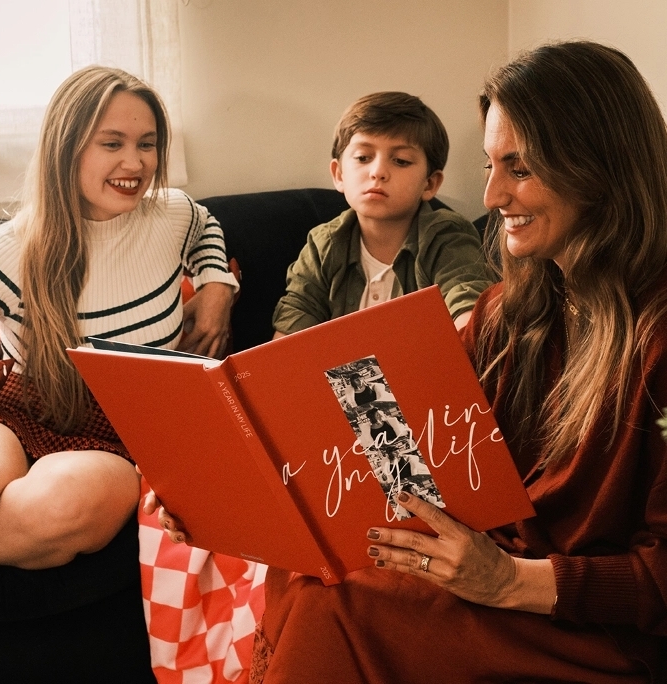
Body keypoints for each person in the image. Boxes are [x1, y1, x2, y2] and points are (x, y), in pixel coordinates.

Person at [242, 41, 667, 682]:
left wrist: (509, 582)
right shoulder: (509, 311)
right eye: (491, 165)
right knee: (309, 571)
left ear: (600, 168)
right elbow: (409, 444)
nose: (492, 196)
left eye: (520, 168)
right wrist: (245, 488)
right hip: (495, 569)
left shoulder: (656, 338)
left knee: (338, 607)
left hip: (588, 625)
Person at [0, 65, 237, 575]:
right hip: (27, 407)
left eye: (147, 144)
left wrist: (217, 287)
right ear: (67, 148)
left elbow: (206, 228)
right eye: (112, 143)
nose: (135, 162)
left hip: (129, 431)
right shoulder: (12, 250)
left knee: (64, 504)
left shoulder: (172, 214)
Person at [271, 91, 493, 337]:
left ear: (430, 183)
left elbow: (467, 304)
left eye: (401, 161)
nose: (378, 172)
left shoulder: (446, 235)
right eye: (363, 157)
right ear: (339, 174)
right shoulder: (323, 244)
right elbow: (294, 321)